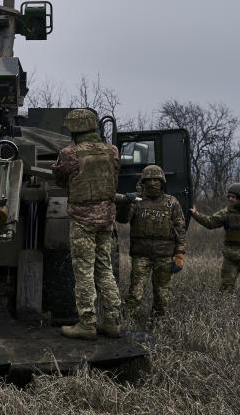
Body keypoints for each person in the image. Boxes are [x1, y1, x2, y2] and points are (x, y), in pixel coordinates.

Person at [51, 108, 123, 340]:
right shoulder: (112, 151)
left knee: (83, 271)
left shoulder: (69, 153)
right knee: (105, 269)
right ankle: (112, 320)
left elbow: (60, 178)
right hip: (107, 218)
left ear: (73, 129)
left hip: (83, 219)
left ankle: (87, 323)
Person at [116, 165, 186, 321]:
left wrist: (179, 254)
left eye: (156, 180)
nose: (153, 183)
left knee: (162, 294)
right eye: (149, 180)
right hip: (141, 255)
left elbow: (180, 229)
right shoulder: (137, 201)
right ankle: (126, 321)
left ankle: (158, 322)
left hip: (164, 255)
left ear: (162, 182)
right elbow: (123, 219)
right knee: (135, 293)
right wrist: (126, 202)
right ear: (143, 182)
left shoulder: (171, 202)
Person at [190, 183, 240, 293]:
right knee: (225, 288)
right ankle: (225, 309)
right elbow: (211, 223)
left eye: (234, 197)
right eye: (229, 196)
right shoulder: (226, 212)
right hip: (230, 257)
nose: (230, 199)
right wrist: (195, 214)